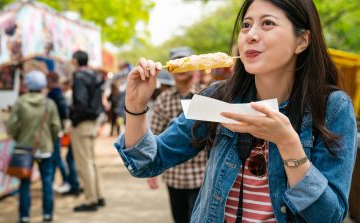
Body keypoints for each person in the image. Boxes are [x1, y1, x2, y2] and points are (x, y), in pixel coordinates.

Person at [115, 1, 357, 222]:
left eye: (268, 24)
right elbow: (147, 162)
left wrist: (288, 144)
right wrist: (136, 107)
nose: (251, 35)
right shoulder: (217, 98)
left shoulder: (332, 108)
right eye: (246, 25)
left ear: (302, 41)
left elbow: (328, 216)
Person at [146, 47, 207, 223]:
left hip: (203, 176)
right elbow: (155, 134)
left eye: (185, 62)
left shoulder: (208, 94)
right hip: (175, 177)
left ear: (195, 67)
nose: (181, 68)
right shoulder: (163, 99)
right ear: (170, 69)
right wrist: (152, 171)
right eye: (177, 63)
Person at [7, 70, 61, 223]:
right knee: (47, 182)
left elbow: (11, 124)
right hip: (45, 149)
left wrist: (20, 137)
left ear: (27, 85)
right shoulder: (49, 103)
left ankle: (24, 216)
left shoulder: (20, 102)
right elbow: (56, 126)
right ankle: (47, 215)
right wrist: (49, 140)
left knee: (24, 183)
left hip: (25, 148)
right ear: (43, 85)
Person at [70, 50, 105, 212]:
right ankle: (98, 196)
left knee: (84, 163)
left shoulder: (79, 76)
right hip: (92, 122)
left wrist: (74, 119)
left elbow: (81, 103)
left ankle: (90, 199)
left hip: (82, 123)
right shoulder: (95, 75)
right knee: (91, 161)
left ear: (76, 61)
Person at [46, 71, 70, 193]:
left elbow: (61, 113)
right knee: (56, 157)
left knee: (56, 157)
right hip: (56, 129)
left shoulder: (54, 94)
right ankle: (58, 180)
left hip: (54, 130)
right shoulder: (58, 93)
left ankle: (65, 180)